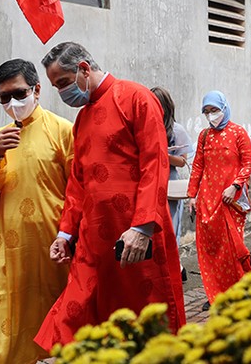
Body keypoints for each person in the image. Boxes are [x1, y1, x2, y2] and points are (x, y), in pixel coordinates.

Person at [34, 42, 185, 350]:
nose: (62, 93)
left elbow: (155, 164)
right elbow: (78, 182)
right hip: (92, 240)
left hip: (133, 237)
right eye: (55, 86)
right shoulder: (83, 119)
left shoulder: (136, 98)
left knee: (143, 322)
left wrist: (143, 228)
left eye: (63, 83)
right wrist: (65, 233)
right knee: (75, 319)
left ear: (84, 69)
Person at [0, 59, 73, 364]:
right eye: (4, 97)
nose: (13, 102)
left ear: (37, 90)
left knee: (60, 318)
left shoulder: (62, 131)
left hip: (54, 246)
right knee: (9, 319)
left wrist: (72, 234)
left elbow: (80, 189)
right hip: (13, 249)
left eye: (19, 93)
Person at [187, 91, 251, 311]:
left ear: (224, 108)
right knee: (210, 249)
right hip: (207, 201)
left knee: (233, 248)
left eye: (214, 110)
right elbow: (198, 165)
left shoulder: (238, 133)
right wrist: (191, 196)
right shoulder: (204, 136)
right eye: (206, 111)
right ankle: (215, 293)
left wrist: (235, 185)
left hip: (230, 201)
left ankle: (238, 289)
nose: (210, 115)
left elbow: (248, 163)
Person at [151, 86, 194, 282]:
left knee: (170, 229)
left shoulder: (176, 130)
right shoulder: (146, 127)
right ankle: (170, 268)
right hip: (150, 182)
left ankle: (173, 270)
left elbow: (182, 160)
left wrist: (164, 154)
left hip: (170, 184)